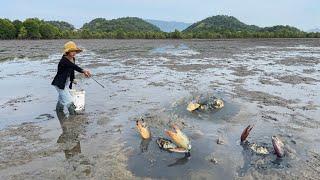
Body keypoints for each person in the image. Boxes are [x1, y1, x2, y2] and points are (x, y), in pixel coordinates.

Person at [51, 41, 91, 115]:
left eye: (75, 51)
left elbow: (72, 70)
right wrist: (83, 71)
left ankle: (59, 113)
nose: (74, 53)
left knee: (62, 99)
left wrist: (73, 79)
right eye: (72, 51)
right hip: (59, 83)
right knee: (69, 100)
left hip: (65, 82)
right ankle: (74, 116)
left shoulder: (73, 59)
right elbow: (74, 66)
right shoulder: (64, 60)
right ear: (67, 52)